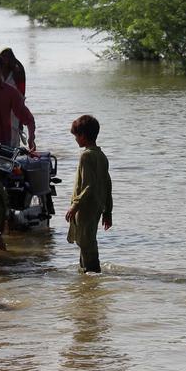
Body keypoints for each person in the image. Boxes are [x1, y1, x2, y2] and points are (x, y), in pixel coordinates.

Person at [64, 115, 113, 273]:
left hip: (85, 207)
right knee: (86, 241)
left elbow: (88, 186)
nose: (76, 140)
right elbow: (107, 185)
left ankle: (92, 273)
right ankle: (85, 277)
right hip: (97, 206)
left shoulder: (86, 156)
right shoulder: (101, 156)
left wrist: (74, 206)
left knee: (85, 242)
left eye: (76, 136)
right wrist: (108, 211)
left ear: (83, 136)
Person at [0, 47, 28, 145]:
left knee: (14, 129)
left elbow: (22, 92)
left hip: (14, 107)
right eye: (3, 57)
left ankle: (14, 150)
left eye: (7, 57)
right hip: (0, 107)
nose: (5, 60)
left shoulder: (16, 73)